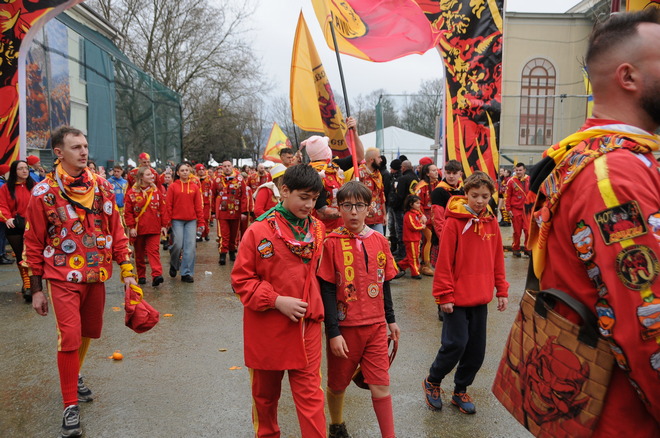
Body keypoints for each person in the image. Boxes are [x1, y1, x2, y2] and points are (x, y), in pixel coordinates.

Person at [527, 10, 660, 436]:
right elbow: (645, 323)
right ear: (628, 76)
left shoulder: (591, 154)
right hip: (624, 419)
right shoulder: (615, 173)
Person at [23, 126, 136, 437]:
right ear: (59, 153)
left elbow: (117, 231)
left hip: (97, 274)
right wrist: (36, 290)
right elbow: (33, 242)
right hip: (61, 276)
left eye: (85, 146)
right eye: (76, 147)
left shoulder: (102, 186)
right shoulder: (42, 193)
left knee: (87, 332)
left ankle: (75, 375)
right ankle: (69, 406)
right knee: (69, 336)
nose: (84, 151)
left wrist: (127, 272)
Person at [231, 164, 327, 438]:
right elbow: (240, 280)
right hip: (267, 328)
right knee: (265, 397)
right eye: (303, 197)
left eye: (314, 199)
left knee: (311, 397)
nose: (309, 205)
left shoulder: (318, 229)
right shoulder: (258, 231)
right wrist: (276, 300)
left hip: (306, 325)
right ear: (284, 191)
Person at [318, 181, 400, 438]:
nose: (353, 212)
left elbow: (384, 282)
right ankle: (336, 425)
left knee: (381, 386)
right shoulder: (331, 242)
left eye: (360, 205)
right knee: (337, 384)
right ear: (338, 208)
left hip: (376, 327)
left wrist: (391, 319)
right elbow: (327, 290)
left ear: (369, 208)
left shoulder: (380, 241)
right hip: (345, 329)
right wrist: (333, 332)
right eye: (347, 206)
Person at [423, 171, 508, 414]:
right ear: (466, 194)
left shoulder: (491, 222)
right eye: (475, 195)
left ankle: (460, 390)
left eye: (485, 196)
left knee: (476, 351)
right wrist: (444, 295)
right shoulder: (454, 222)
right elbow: (444, 262)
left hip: (480, 298)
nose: (480, 201)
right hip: (456, 299)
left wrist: (501, 290)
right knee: (455, 345)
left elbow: (497, 259)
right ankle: (433, 381)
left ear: (491, 197)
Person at [307, 116, 365, 232]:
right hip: (322, 233)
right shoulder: (313, 174)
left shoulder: (334, 166)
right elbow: (322, 211)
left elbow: (358, 157)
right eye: (327, 147)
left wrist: (354, 133)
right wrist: (351, 211)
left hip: (342, 229)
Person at [124, 167, 168, 287]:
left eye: (152, 175)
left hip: (154, 227)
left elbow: (162, 209)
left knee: (153, 251)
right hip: (139, 228)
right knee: (139, 253)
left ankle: (157, 275)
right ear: (141, 177)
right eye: (148, 175)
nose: (152, 177)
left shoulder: (156, 191)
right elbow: (128, 212)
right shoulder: (132, 193)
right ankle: (141, 275)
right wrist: (131, 227)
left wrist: (164, 225)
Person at [0, 160, 35, 301]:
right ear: (15, 171)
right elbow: (2, 205)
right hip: (15, 225)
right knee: (20, 255)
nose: (24, 171)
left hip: (32, 226)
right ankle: (27, 284)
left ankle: (32, 283)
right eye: (21, 168)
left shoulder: (35, 186)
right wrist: (7, 218)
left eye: (26, 168)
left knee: (32, 255)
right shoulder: (6, 188)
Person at [166, 162, 204, 283]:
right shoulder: (173, 187)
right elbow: (168, 205)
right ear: (177, 173)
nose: (185, 172)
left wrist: (201, 222)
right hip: (176, 220)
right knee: (177, 244)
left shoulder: (195, 187)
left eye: (186, 170)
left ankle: (186, 272)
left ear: (190, 172)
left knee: (190, 246)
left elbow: (198, 206)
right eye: (182, 170)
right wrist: (167, 221)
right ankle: (174, 263)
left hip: (191, 220)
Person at [212, 160, 247, 265]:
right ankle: (222, 254)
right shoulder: (217, 180)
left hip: (236, 212)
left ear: (232, 167)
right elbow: (213, 196)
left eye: (228, 166)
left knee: (234, 235)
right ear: (222, 168)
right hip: (222, 212)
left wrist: (244, 212)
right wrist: (213, 211)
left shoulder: (239, 179)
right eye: (225, 166)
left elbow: (244, 196)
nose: (227, 168)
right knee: (224, 235)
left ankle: (232, 252)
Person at [415, 163, 441, 276]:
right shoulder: (421, 186)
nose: (436, 172)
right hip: (424, 217)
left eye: (437, 170)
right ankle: (426, 265)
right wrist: (421, 216)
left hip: (434, 216)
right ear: (427, 173)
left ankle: (427, 263)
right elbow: (417, 204)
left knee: (430, 240)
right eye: (433, 170)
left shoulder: (438, 184)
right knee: (429, 239)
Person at [392, 160, 419, 260]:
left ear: (403, 168)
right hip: (413, 208)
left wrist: (395, 206)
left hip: (402, 209)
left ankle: (402, 253)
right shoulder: (415, 177)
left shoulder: (403, 179)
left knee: (401, 231)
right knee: (410, 232)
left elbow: (400, 195)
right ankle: (409, 253)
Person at [397, 194, 426, 279]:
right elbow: (413, 226)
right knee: (413, 257)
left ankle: (401, 265)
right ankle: (415, 272)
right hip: (411, 239)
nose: (419, 205)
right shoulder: (409, 215)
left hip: (415, 238)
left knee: (413, 255)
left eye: (419, 203)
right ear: (411, 204)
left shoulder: (415, 214)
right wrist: (422, 226)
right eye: (417, 203)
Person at [358, 147, 387, 234]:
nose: (381, 160)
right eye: (379, 157)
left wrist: (384, 214)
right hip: (363, 219)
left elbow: (381, 195)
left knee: (380, 240)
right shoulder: (359, 173)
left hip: (377, 218)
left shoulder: (378, 174)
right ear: (371, 160)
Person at [505, 163, 530, 257]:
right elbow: (507, 196)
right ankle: (516, 249)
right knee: (517, 231)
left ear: (524, 170)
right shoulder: (511, 181)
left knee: (528, 230)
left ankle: (528, 249)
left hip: (527, 210)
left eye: (520, 170)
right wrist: (508, 209)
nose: (518, 172)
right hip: (516, 209)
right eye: (517, 170)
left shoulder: (529, 180)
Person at [387, 159, 402, 256]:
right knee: (392, 226)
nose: (391, 170)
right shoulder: (392, 177)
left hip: (396, 206)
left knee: (397, 227)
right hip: (392, 205)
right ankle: (394, 246)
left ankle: (397, 247)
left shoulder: (399, 178)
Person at [194, 164, 214, 242]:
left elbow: (212, 189)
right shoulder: (194, 180)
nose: (201, 171)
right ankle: (200, 235)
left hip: (206, 202)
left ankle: (206, 233)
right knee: (198, 219)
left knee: (205, 218)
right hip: (197, 202)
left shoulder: (208, 179)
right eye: (199, 170)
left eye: (203, 170)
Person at [0, 163, 14, 265]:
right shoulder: (2, 185)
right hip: (2, 214)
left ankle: (2, 254)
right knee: (1, 236)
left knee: (3, 235)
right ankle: (1, 255)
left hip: (4, 214)